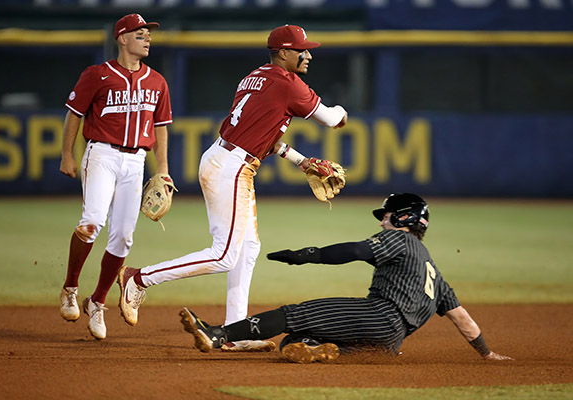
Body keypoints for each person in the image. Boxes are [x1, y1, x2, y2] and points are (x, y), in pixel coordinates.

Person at [117, 24, 348, 352]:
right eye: (302, 50)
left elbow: (262, 132)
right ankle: (138, 278)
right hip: (232, 168)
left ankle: (237, 333)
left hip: (225, 158)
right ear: (283, 52)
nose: (308, 55)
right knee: (224, 255)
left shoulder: (255, 77)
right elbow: (331, 119)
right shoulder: (288, 83)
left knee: (248, 249)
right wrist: (342, 112)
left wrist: (299, 159)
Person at [179, 193, 514, 364]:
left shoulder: (401, 239)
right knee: (292, 343)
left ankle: (218, 335)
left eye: (385, 216)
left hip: (379, 316)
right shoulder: (435, 274)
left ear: (403, 217)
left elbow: (356, 250)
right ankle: (322, 350)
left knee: (296, 314)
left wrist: (308, 255)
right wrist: (486, 354)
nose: (382, 222)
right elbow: (462, 318)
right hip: (389, 343)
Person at [58, 13, 172, 340]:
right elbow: (74, 115)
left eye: (148, 34)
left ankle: (97, 302)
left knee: (123, 236)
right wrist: (68, 154)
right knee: (92, 222)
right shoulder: (97, 75)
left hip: (136, 161)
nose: (147, 38)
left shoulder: (157, 81)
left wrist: (162, 170)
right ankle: (70, 288)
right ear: (121, 38)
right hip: (102, 154)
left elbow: (161, 127)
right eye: (140, 34)